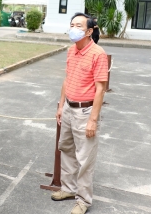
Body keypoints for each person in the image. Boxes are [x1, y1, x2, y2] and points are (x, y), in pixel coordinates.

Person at [51, 13, 108, 214]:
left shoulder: (98, 54)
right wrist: (60, 106)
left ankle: (83, 200)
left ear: (89, 31)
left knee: (85, 158)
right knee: (66, 149)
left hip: (85, 111)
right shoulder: (71, 50)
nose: (73, 28)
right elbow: (67, 79)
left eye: (78, 25)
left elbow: (101, 89)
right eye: (72, 24)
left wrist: (93, 119)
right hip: (68, 107)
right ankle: (68, 188)